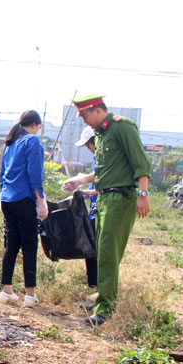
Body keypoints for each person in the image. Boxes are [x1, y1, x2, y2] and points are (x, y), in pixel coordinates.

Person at [62, 95, 150, 326]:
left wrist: (143, 194)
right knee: (102, 251)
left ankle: (105, 308)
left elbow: (141, 163)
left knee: (109, 252)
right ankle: (103, 296)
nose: (84, 121)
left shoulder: (123, 127)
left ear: (97, 110)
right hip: (104, 197)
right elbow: (103, 172)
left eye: (85, 115)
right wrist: (80, 181)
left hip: (121, 198)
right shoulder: (101, 135)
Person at [0, 110, 48, 307]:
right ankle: (30, 295)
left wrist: (1, 196)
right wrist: (41, 200)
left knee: (11, 245)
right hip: (23, 198)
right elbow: (34, 173)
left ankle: (6, 291)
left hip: (7, 199)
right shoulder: (32, 142)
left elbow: (1, 174)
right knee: (29, 245)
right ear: (35, 125)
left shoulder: (9, 145)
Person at [73, 126, 99, 290]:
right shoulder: (97, 159)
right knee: (89, 249)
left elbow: (106, 186)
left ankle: (97, 285)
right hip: (93, 208)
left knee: (94, 250)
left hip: (101, 209)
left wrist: (85, 191)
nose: (89, 149)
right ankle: (93, 284)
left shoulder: (104, 159)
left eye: (88, 145)